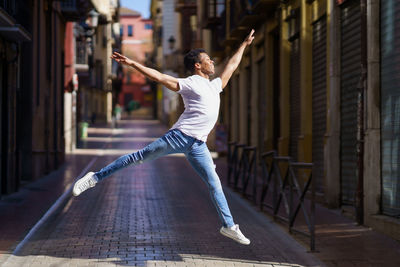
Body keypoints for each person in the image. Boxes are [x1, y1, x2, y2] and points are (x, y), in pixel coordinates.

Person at [73, 29, 255, 245]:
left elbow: (232, 67)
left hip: (199, 145)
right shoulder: (189, 83)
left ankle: (229, 226)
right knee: (137, 157)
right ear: (198, 65)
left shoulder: (214, 86)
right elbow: (158, 76)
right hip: (180, 136)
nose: (213, 62)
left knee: (215, 183)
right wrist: (132, 64)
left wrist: (244, 45)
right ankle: (94, 177)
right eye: (208, 60)